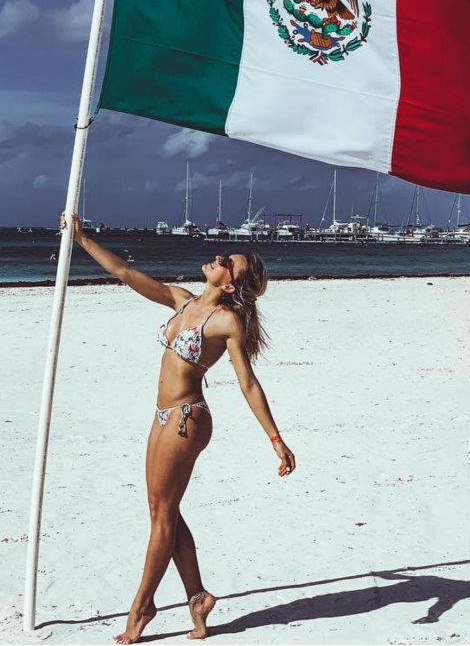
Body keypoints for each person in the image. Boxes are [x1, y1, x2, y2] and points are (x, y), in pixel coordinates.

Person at [61, 212, 296, 644]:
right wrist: (81, 239)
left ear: (229, 285)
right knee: (162, 512)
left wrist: (276, 440)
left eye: (229, 260)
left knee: (161, 516)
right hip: (162, 416)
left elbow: (247, 382)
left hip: (188, 419)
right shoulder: (183, 301)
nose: (220, 256)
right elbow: (126, 273)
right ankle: (197, 598)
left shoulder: (227, 322)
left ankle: (141, 608)